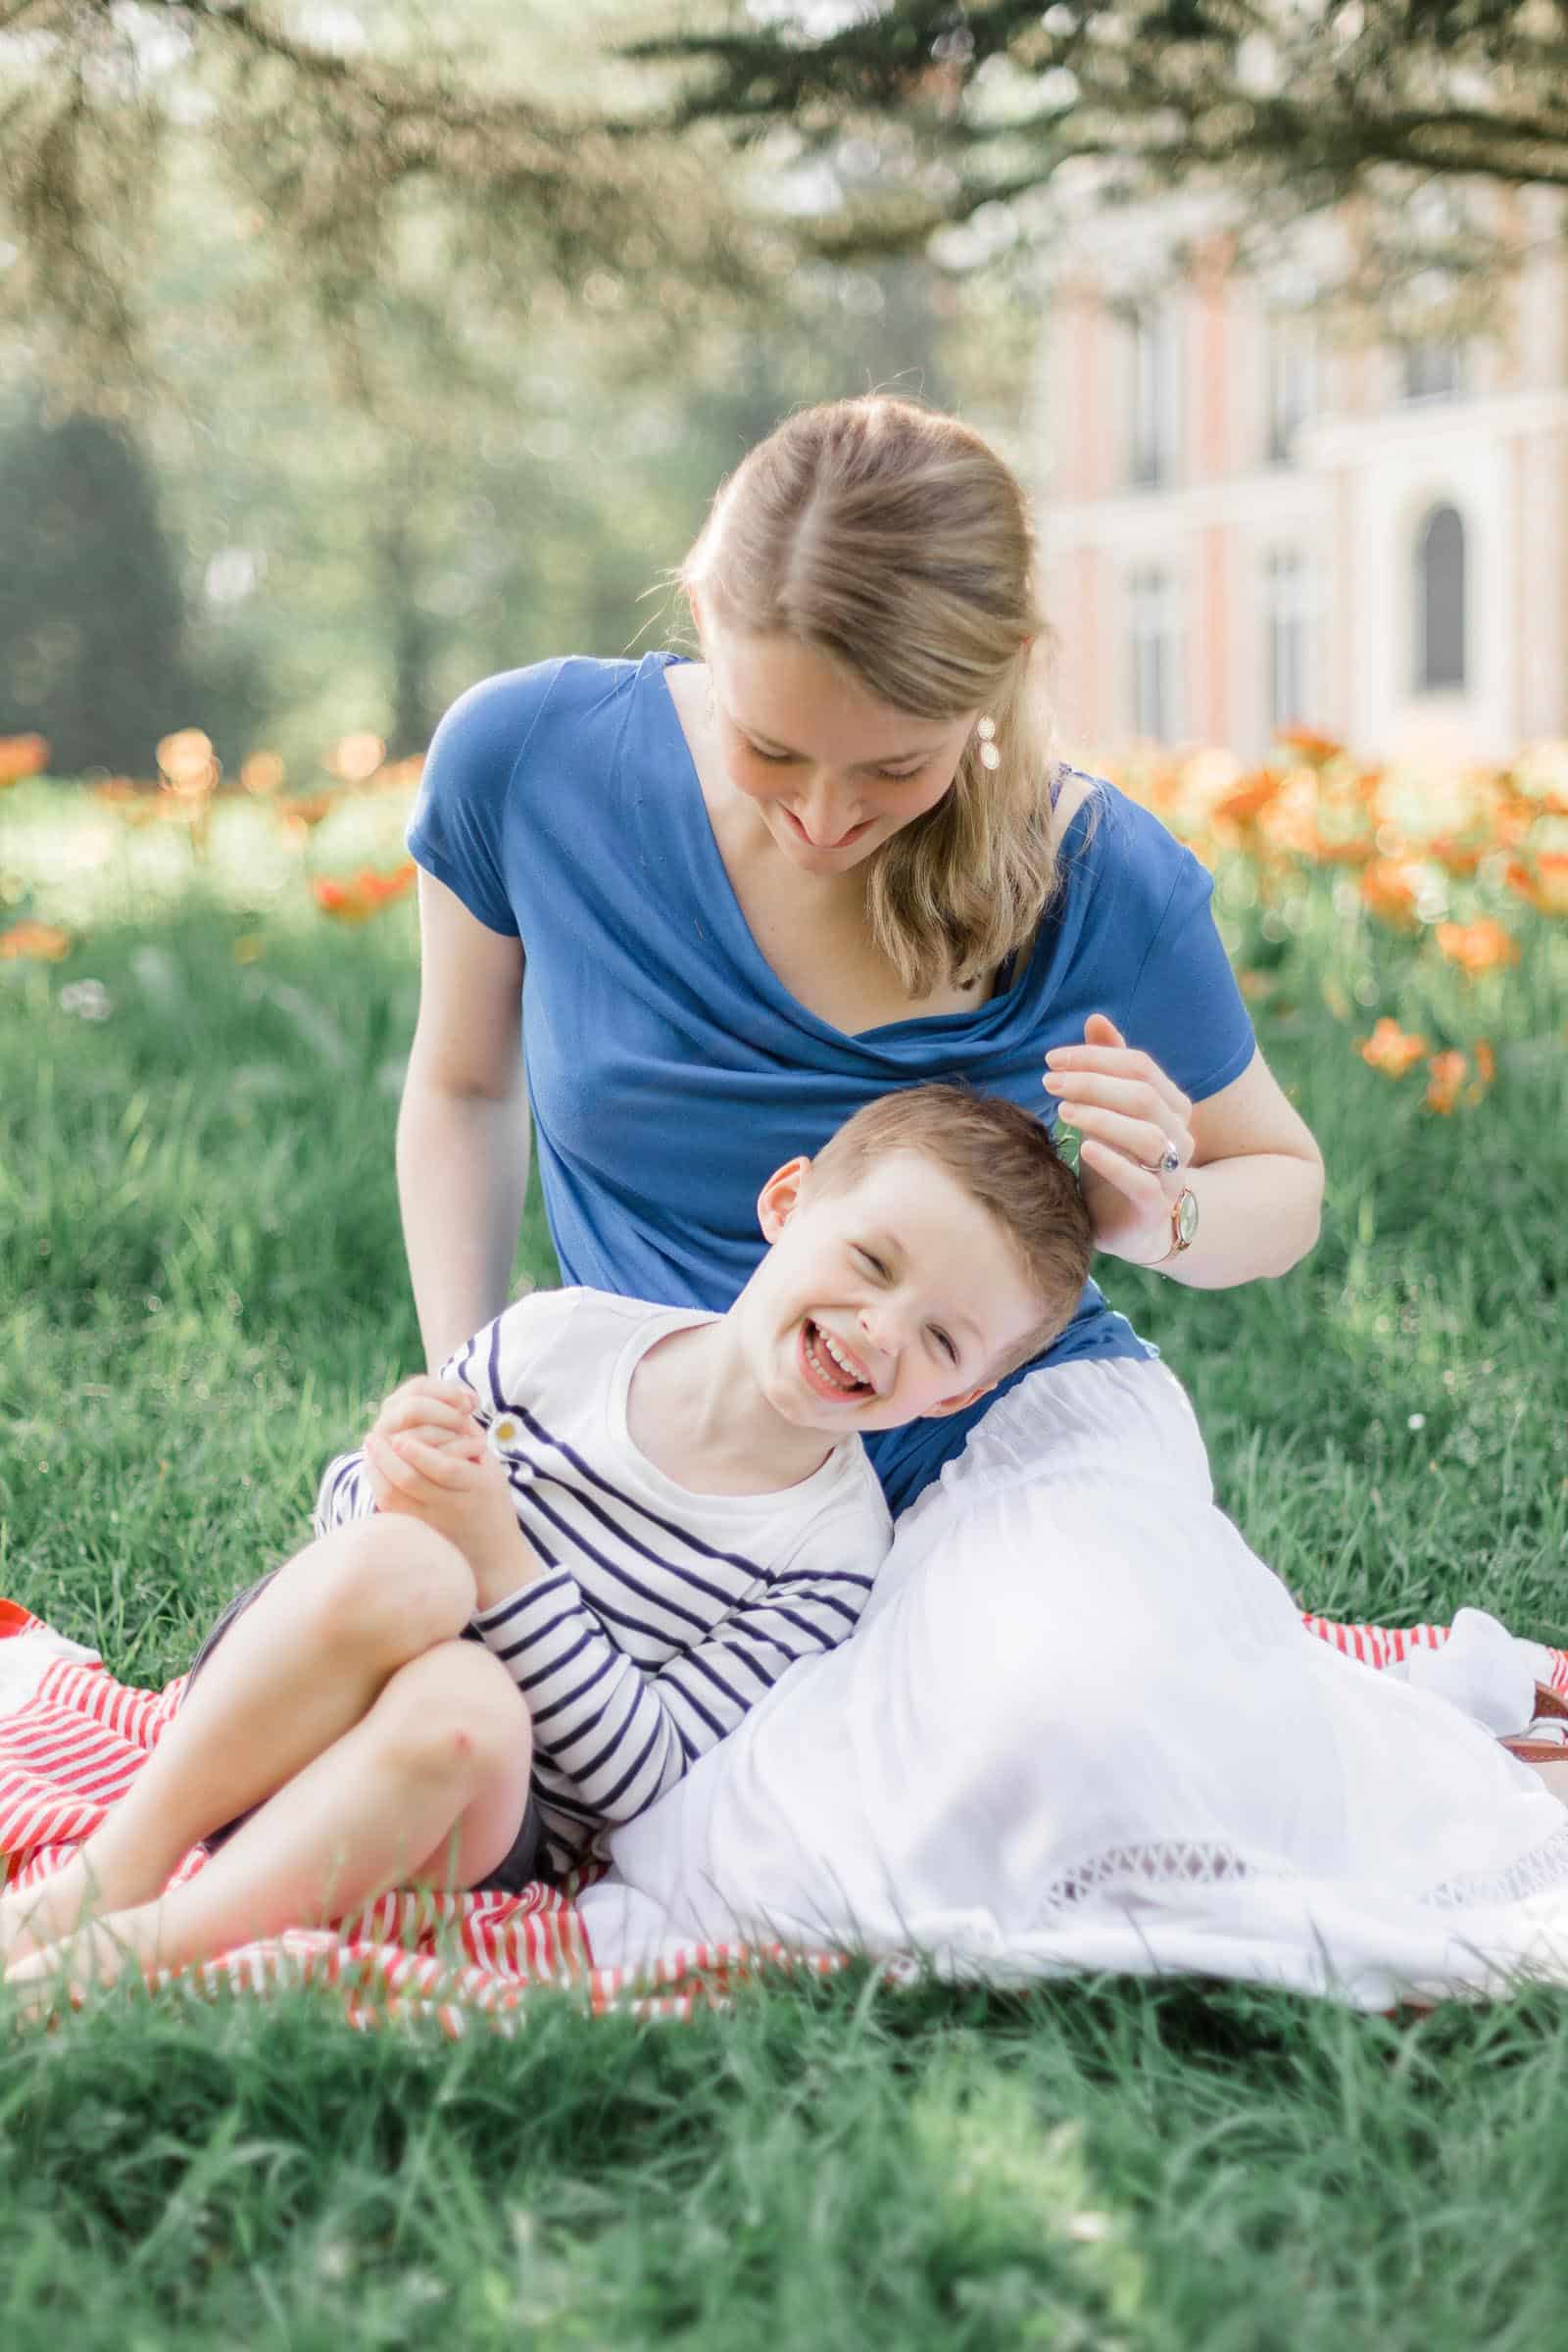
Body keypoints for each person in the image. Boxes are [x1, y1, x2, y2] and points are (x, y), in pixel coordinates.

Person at [380, 390, 1568, 2004]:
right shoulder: (529, 759)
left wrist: (1169, 1214)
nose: (819, 817)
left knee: (1049, 1749)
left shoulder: (1096, 873)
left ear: (992, 692)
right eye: (769, 744)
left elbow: (1280, 1179)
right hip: (696, 1456)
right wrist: (481, 1397)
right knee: (573, 1782)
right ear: (705, 622)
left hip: (1006, 1443)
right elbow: (463, 1087)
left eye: (892, 770)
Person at [0, 1085, 1092, 1987]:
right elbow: (341, 1530)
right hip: (275, 1728)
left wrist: (501, 1558)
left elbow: (645, 1780)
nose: (880, 1328)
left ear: (956, 1397)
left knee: (467, 1703)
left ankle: (139, 1953)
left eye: (941, 1338)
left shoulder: (826, 1554)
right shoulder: (557, 1341)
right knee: (406, 1558)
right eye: (871, 1262)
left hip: (439, 1822)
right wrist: (396, 1474)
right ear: (787, 1202)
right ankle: (117, 1868)